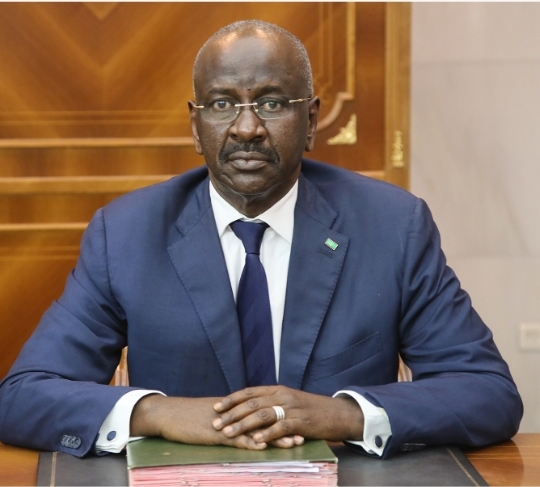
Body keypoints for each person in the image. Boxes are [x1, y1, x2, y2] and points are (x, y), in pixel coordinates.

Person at [0, 20, 522, 460]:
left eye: (272, 103)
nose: (246, 128)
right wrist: (158, 412)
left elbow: (487, 393)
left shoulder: (391, 226)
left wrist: (342, 414)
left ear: (311, 120)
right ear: (196, 125)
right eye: (222, 104)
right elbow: (22, 397)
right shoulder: (127, 233)